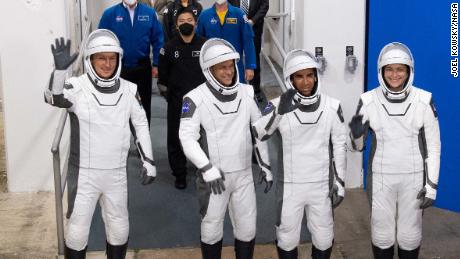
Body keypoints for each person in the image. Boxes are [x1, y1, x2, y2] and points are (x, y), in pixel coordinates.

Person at [44, 29, 157, 259]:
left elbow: (141, 124)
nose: (107, 64)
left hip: (116, 174)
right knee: (77, 231)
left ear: (118, 59)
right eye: (101, 58)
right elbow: (53, 98)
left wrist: (149, 160)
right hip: (84, 174)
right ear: (90, 60)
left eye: (112, 58)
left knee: (119, 230)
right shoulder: (77, 87)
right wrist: (59, 71)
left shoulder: (129, 89)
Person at [179, 38, 272, 259]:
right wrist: (206, 168)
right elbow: (186, 138)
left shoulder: (247, 93)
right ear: (209, 69)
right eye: (222, 67)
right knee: (211, 229)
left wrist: (266, 165)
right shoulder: (194, 98)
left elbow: (259, 132)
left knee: (247, 229)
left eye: (231, 65)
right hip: (214, 178)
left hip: (243, 175)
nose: (229, 71)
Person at [349, 42, 441, 259]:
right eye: (389, 69)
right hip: (381, 178)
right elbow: (357, 147)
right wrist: (355, 134)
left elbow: (434, 146)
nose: (395, 74)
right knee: (382, 235)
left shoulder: (424, 99)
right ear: (381, 71)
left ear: (409, 70)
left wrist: (431, 186)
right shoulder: (368, 100)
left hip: (414, 178)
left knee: (410, 235)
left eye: (400, 69)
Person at [252, 49, 347, 259]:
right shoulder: (277, 104)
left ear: (315, 76)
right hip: (290, 186)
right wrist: (265, 166)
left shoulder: (332, 106)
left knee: (323, 237)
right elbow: (258, 133)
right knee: (287, 238)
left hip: (321, 184)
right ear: (290, 79)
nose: (306, 82)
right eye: (299, 76)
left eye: (309, 75)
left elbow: (340, 144)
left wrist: (340, 182)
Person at [158, 6, 207, 189]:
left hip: (202, 103)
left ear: (195, 23)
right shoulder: (168, 48)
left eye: (189, 21)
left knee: (202, 136)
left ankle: (202, 167)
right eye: (181, 22)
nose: (186, 24)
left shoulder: (204, 46)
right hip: (177, 102)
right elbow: (162, 79)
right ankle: (179, 173)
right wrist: (170, 97)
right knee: (176, 137)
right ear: (176, 26)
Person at [99, 0, 164, 126]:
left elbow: (158, 40)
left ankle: (143, 140)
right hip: (119, 68)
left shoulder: (149, 13)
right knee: (118, 106)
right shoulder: (110, 14)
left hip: (142, 67)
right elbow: (102, 39)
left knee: (144, 106)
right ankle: (121, 141)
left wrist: (156, 64)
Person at [196, 0, 256, 85]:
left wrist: (250, 66)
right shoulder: (204, 16)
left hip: (235, 65)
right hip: (212, 65)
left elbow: (248, 41)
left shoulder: (239, 14)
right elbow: (198, 43)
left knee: (238, 92)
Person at [228, 0, 269, 103]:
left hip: (254, 28)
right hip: (235, 28)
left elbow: (264, 6)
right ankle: (234, 85)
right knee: (234, 57)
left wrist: (253, 21)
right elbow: (227, 6)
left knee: (254, 58)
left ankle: (255, 90)